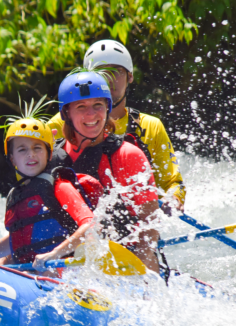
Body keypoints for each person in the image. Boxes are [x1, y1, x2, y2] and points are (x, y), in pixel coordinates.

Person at [48, 39, 185, 214]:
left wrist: (173, 198)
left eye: (116, 71)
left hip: (133, 218)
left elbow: (172, 182)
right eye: (100, 72)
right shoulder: (60, 123)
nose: (107, 78)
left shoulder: (150, 126)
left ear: (130, 76)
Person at [49, 70, 160, 272]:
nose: (91, 114)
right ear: (66, 113)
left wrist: (143, 270)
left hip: (120, 259)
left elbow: (150, 224)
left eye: (97, 106)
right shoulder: (51, 157)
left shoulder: (128, 155)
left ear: (107, 108)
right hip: (62, 260)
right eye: (81, 107)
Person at [0, 114, 94, 270]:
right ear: (12, 159)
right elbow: (18, 240)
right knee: (0, 264)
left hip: (61, 266)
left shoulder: (60, 186)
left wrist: (55, 253)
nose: (30, 154)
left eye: (37, 148)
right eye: (22, 149)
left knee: (49, 273)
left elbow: (91, 224)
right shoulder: (15, 195)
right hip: (31, 267)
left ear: (49, 154)